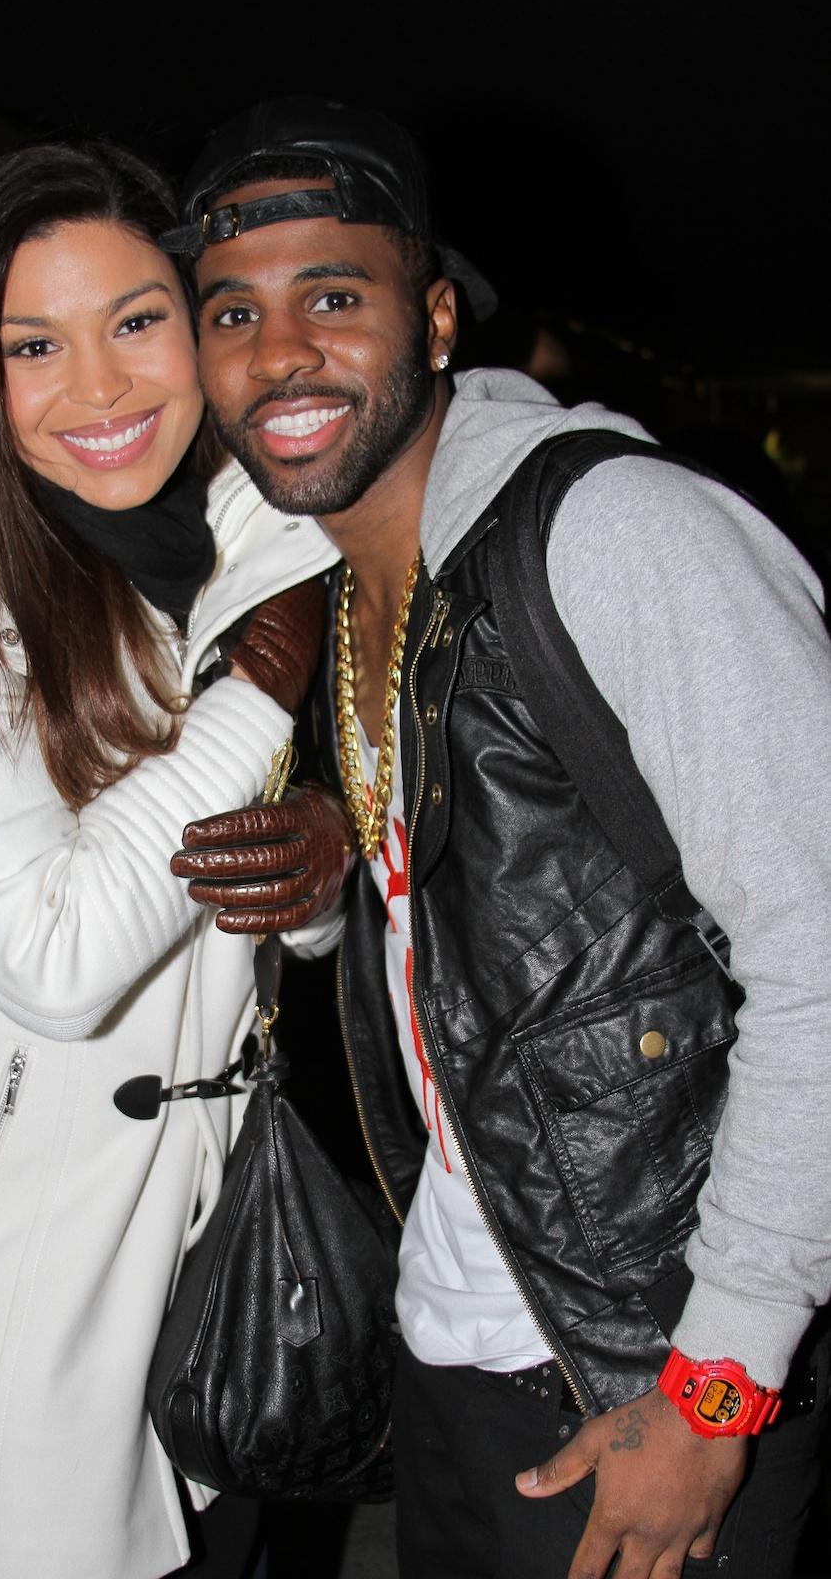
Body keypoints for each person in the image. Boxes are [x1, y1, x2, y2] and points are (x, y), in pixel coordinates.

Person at [166, 98, 831, 1579]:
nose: (280, 354)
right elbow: (483, 936)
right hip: (452, 1342)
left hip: (648, 1376)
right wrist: (335, 882)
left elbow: (824, 956)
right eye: (235, 314)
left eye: (333, 298)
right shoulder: (350, 603)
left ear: (440, 317)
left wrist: (715, 1388)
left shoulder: (617, 533)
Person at [0, 139, 338, 1579]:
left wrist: (316, 880)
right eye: (30, 345)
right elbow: (54, 958)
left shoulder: (259, 524)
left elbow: (266, 924)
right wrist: (258, 695)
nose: (101, 390)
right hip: (18, 1245)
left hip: (221, 1222)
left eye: (136, 322)